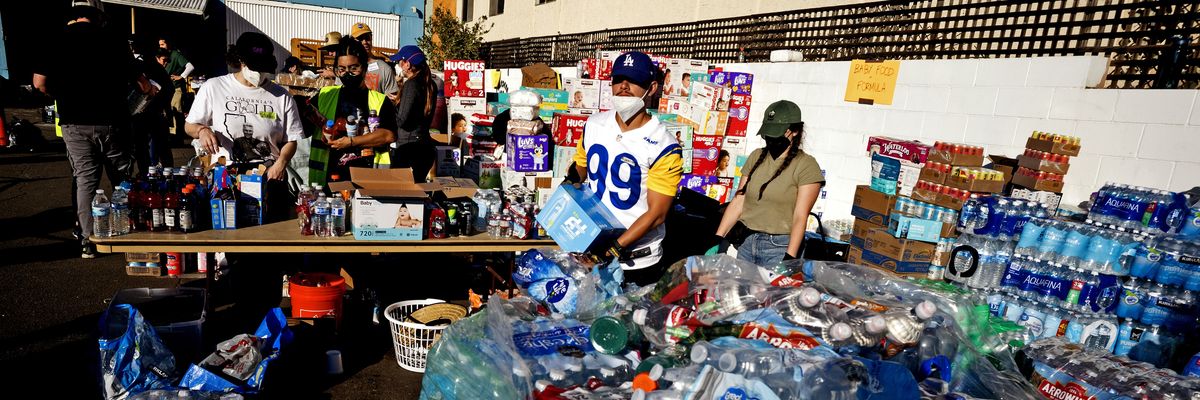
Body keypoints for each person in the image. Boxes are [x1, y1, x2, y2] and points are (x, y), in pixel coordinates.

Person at [33, 0, 151, 258]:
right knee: (121, 177)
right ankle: (132, 232)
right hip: (113, 121)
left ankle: (87, 241)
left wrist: (63, 93)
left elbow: (39, 83)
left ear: (74, 19)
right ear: (97, 19)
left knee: (86, 181)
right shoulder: (114, 39)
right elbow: (142, 83)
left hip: (74, 122)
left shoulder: (54, 39)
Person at [569, 51, 682, 286]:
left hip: (635, 262)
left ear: (651, 88)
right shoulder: (594, 124)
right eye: (618, 79)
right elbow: (581, 167)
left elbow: (656, 214)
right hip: (590, 248)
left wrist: (611, 250)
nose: (624, 86)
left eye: (634, 81)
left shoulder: (664, 143)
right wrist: (568, 189)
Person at [184, 32, 305, 221]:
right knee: (230, 239)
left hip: (269, 179)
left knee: (271, 241)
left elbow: (291, 139)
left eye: (263, 67)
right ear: (240, 60)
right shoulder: (214, 87)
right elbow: (189, 126)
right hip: (227, 182)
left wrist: (281, 163)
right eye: (255, 67)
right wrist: (202, 130)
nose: (259, 73)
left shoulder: (282, 96)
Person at [714, 100, 824, 265]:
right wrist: (718, 239)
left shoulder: (806, 165)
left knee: (771, 292)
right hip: (746, 242)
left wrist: (790, 258)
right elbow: (739, 200)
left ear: (794, 131)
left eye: (777, 133)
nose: (771, 139)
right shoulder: (756, 156)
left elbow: (800, 216)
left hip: (779, 247)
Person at [311, 38, 399, 182]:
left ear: (364, 68)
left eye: (354, 68)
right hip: (328, 178)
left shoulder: (380, 100)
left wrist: (352, 142)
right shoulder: (324, 96)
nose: (347, 74)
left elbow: (388, 135)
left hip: (369, 178)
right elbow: (305, 125)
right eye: (342, 69)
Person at [380, 45, 438, 181]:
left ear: (408, 64)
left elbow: (402, 120)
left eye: (400, 62)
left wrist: (391, 106)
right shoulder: (429, 83)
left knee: (403, 194)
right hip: (425, 145)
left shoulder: (411, 84)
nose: (399, 65)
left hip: (409, 148)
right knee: (418, 192)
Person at [130, 39, 175, 174]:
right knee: (161, 146)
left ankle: (145, 174)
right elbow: (169, 89)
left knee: (142, 147)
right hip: (156, 113)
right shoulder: (155, 66)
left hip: (139, 114)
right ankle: (166, 174)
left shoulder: (135, 65)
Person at [349, 22, 399, 97]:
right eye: (360, 39)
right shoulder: (346, 66)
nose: (364, 42)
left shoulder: (384, 68)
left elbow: (393, 99)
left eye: (367, 38)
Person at [159, 36, 194, 135]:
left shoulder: (175, 54)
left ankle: (176, 135)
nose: (161, 46)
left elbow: (190, 66)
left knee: (175, 110)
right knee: (169, 111)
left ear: (168, 44)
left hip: (176, 87)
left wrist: (181, 76)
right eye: (159, 44)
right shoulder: (163, 55)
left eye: (163, 44)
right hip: (166, 88)